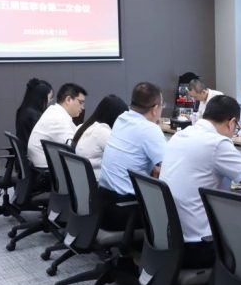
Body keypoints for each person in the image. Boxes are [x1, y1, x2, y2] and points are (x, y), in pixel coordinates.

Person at [161, 95, 241, 268]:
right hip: (198, 246)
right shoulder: (217, 143)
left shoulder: (181, 134)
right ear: (231, 122)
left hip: (171, 238)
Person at [99, 82, 167, 231]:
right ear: (155, 108)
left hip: (104, 205)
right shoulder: (150, 129)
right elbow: (170, 170)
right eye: (162, 105)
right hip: (127, 210)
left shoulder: (122, 118)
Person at [27, 83, 87, 169]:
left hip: (43, 165)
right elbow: (75, 147)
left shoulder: (55, 111)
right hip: (47, 169)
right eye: (80, 102)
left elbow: (75, 133)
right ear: (68, 100)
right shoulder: (58, 118)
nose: (82, 107)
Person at [72, 95, 128, 180]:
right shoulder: (102, 132)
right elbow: (123, 159)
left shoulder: (84, 127)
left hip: (83, 181)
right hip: (97, 182)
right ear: (114, 116)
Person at [15, 78, 53, 151]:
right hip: (34, 154)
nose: (50, 101)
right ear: (41, 98)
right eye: (50, 98)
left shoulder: (23, 110)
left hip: (27, 152)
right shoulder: (34, 116)